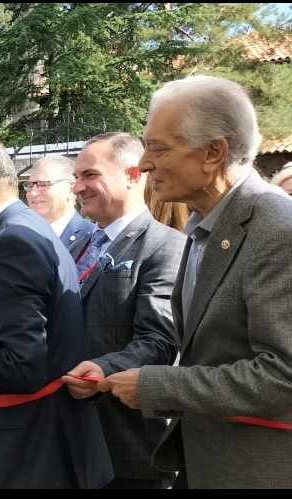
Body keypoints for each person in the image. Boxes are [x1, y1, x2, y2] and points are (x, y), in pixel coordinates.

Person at [97, 75, 292, 488]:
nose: (145, 165)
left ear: (213, 152)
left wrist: (159, 386)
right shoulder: (207, 226)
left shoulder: (277, 230)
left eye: (159, 148)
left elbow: (283, 376)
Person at [0, 137, 113, 488]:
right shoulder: (18, 230)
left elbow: (20, 364)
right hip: (19, 448)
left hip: (15, 456)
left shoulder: (13, 242)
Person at [58, 132, 183, 488]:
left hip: (125, 445)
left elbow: (160, 341)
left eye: (90, 175)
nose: (77, 187)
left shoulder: (165, 246)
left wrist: (101, 370)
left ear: (132, 174)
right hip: (70, 435)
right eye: (76, 177)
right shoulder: (78, 243)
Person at [24, 155, 95, 258]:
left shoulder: (92, 239)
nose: (33, 193)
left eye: (44, 184)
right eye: (30, 185)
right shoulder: (20, 236)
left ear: (71, 188)